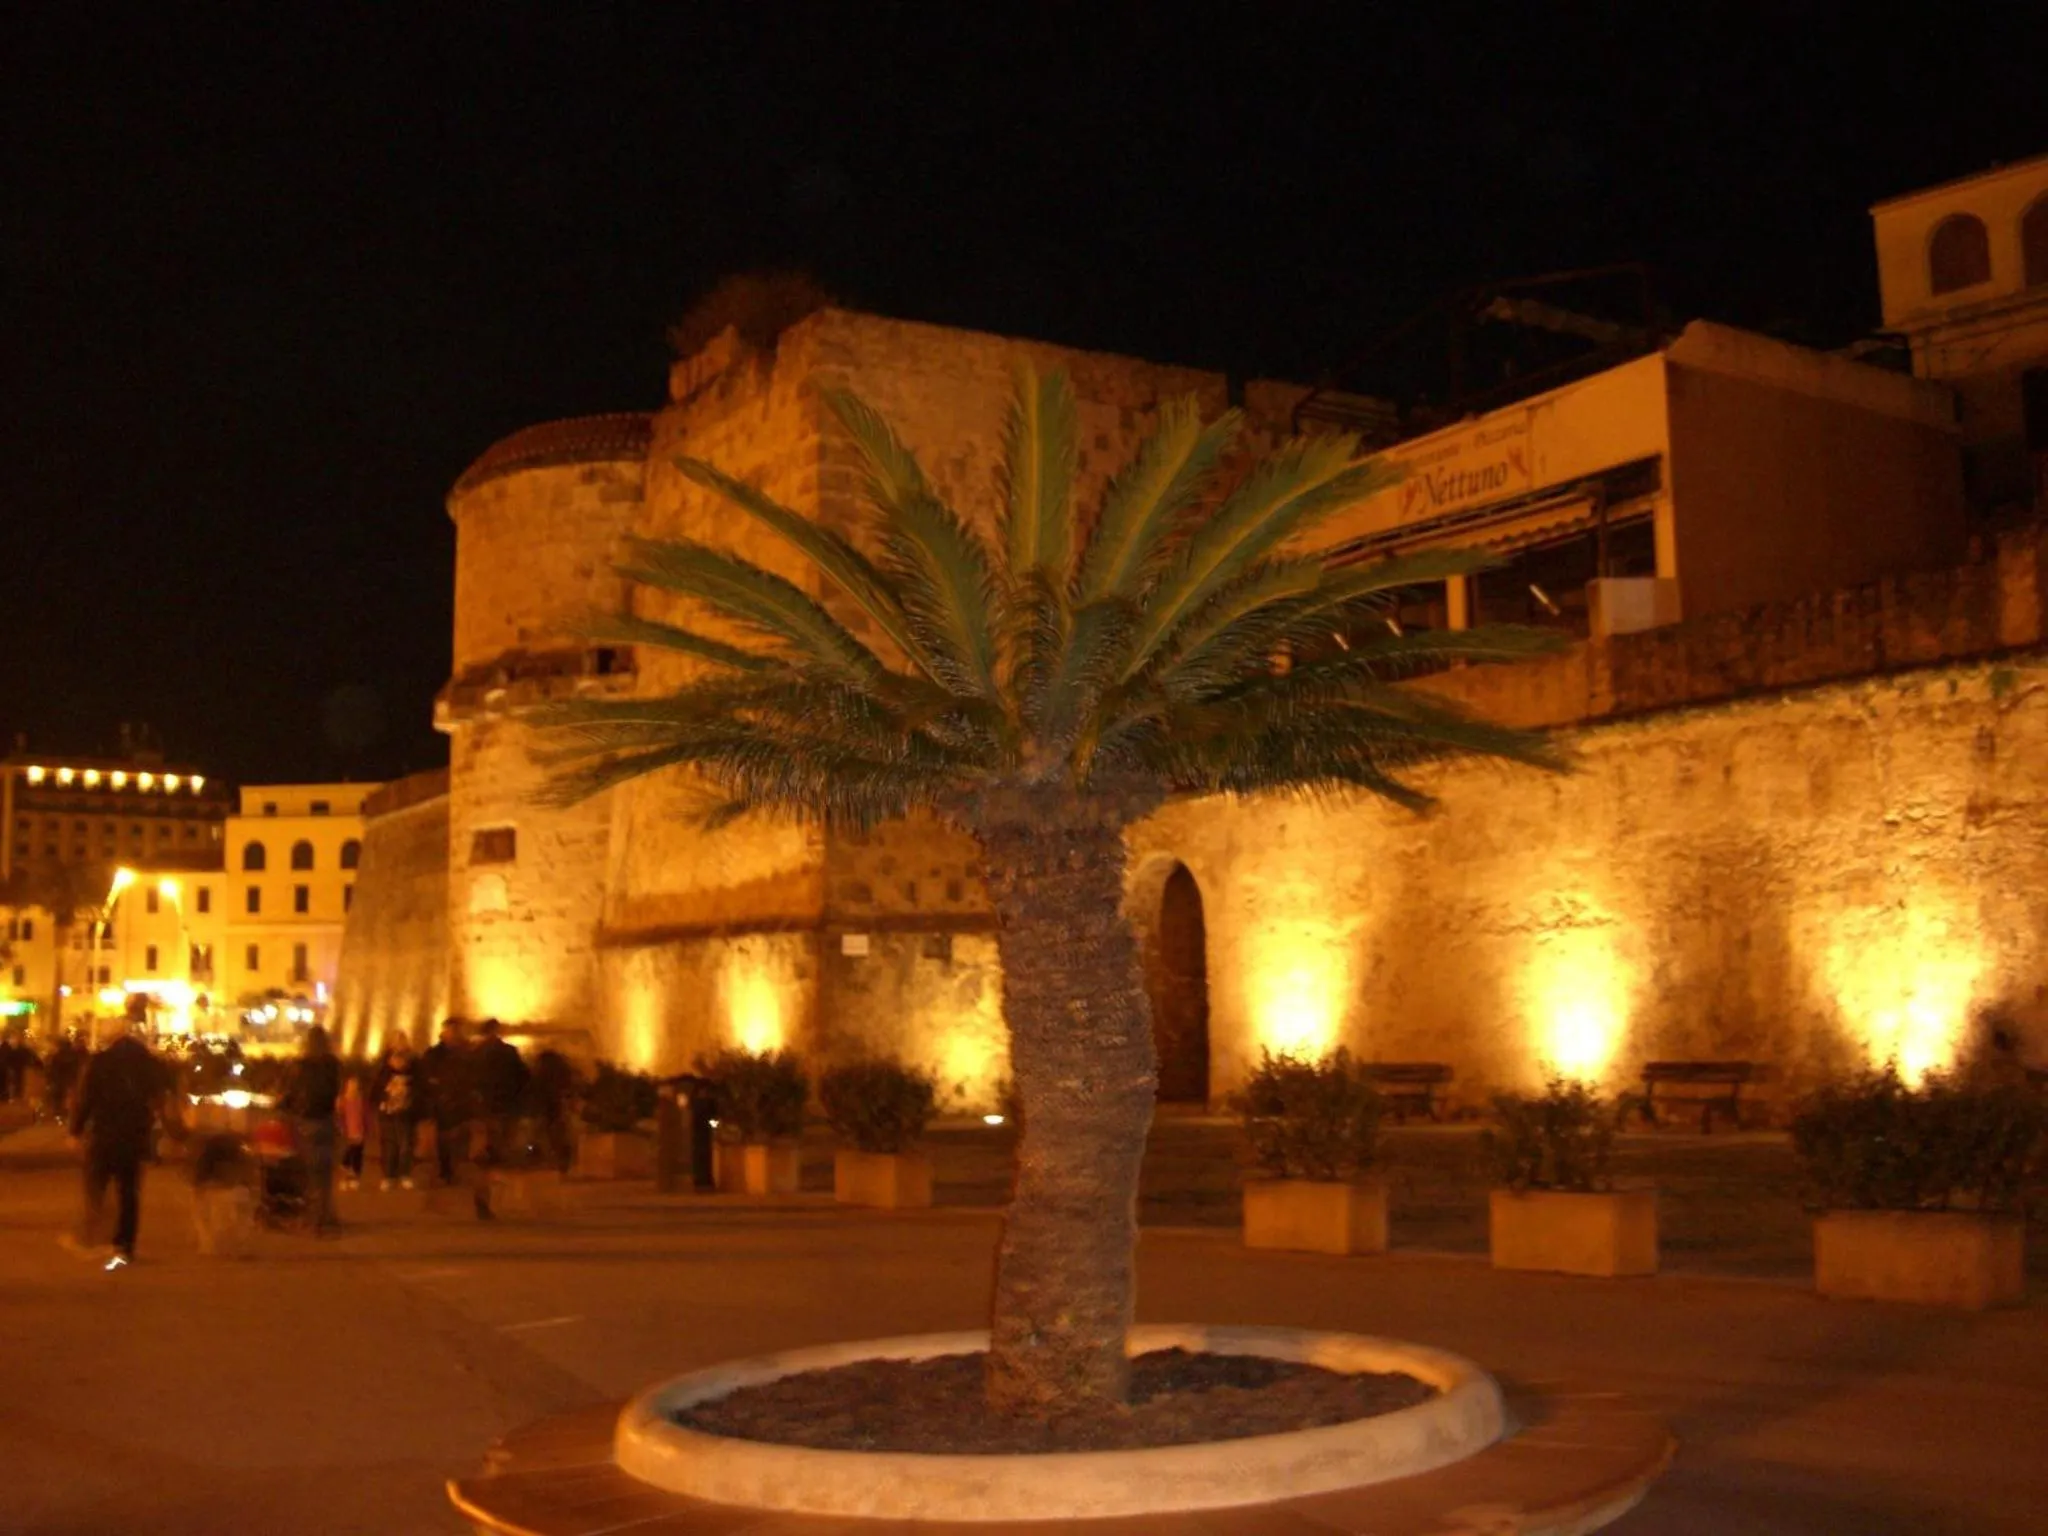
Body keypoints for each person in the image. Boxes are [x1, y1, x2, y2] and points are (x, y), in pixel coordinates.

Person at [66, 996, 168, 1271]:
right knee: (129, 1192)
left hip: (104, 1133)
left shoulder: (100, 1062)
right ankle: (124, 1246)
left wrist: (75, 1131)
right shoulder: (148, 1063)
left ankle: (93, 1234)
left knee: (96, 1184)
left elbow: (85, 1099)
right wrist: (170, 1133)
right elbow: (160, 1099)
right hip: (134, 1134)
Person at [470, 1019, 528, 1220]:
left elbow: (467, 1083)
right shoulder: (508, 1053)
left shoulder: (474, 1055)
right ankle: (497, 1202)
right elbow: (523, 1080)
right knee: (500, 1157)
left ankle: (483, 1200)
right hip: (504, 1111)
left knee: (482, 1159)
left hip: (482, 1112)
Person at [288, 1025, 342, 1232]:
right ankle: (326, 1214)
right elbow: (335, 1090)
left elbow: (292, 1093)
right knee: (326, 1173)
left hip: (306, 1122)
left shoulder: (300, 1065)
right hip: (327, 1120)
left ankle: (313, 1217)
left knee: (309, 1173)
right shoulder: (333, 1065)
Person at [420, 1020, 473, 1187]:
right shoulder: (434, 1054)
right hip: (441, 1102)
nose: (453, 1034)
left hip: (460, 1102)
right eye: (451, 1031)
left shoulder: (465, 1052)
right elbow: (426, 1076)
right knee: (444, 1139)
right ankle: (446, 1171)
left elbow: (471, 1074)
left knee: (459, 1138)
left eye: (456, 1031)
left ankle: (454, 1169)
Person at [370, 1037, 420, 1189]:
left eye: (401, 1058)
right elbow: (374, 1093)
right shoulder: (383, 1073)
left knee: (406, 1145)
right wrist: (382, 1101)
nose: (398, 1062)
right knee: (389, 1145)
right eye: (395, 1058)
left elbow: (421, 1092)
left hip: (406, 1114)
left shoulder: (414, 1073)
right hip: (387, 1114)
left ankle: (404, 1174)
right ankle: (389, 1176)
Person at [531, 1048, 576, 1174]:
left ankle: (549, 1160)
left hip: (546, 1110)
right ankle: (561, 1161)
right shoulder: (562, 1073)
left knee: (546, 1135)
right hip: (557, 1109)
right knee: (560, 1136)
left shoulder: (539, 1075)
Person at [337, 1074, 368, 1191]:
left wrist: (366, 1130)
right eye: (351, 1085)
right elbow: (340, 1117)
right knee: (347, 1156)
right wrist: (342, 1129)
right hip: (347, 1133)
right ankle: (345, 1179)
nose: (353, 1087)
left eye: (355, 1085)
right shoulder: (342, 1101)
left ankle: (355, 1179)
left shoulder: (361, 1100)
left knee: (357, 1156)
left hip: (359, 1132)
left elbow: (366, 1116)